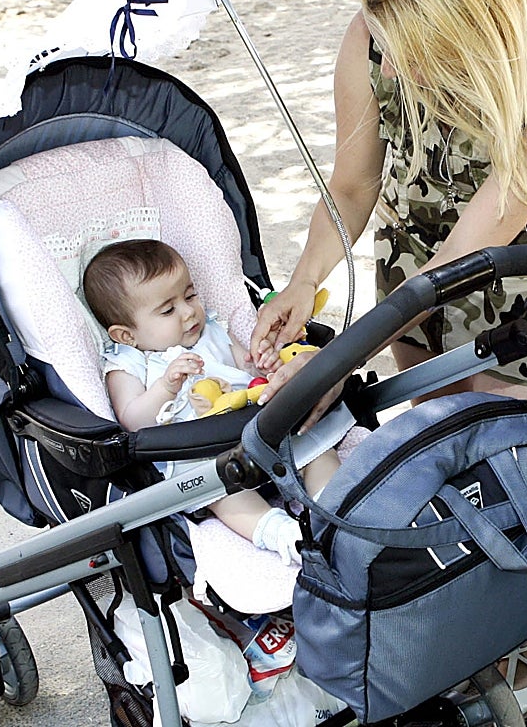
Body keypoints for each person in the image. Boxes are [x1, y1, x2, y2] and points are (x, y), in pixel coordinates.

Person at [248, 0, 527, 400]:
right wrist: (304, 282)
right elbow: (352, 188)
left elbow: (467, 250)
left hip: (514, 280)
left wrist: (336, 363)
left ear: (471, 32)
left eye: (412, 50)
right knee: (428, 426)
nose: (390, 68)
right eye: (386, 45)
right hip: (409, 259)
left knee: (501, 432)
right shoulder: (373, 32)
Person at [83, 239, 341, 566]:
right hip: (200, 453)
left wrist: (263, 364)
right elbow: (132, 421)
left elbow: (246, 369)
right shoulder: (129, 363)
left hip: (258, 426)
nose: (189, 311)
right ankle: (282, 535)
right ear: (126, 335)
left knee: (316, 448)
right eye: (168, 310)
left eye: (190, 295)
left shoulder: (213, 329)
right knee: (219, 494)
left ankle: (335, 508)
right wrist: (166, 387)